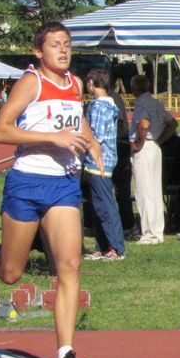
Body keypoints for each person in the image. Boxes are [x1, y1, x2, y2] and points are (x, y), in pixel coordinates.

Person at [0, 21, 103, 358]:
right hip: (26, 183)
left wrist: (91, 142)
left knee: (69, 266)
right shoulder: (31, 82)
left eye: (67, 44)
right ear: (39, 51)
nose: (63, 50)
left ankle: (65, 355)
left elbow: (77, 120)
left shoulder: (75, 84)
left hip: (63, 185)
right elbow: (0, 131)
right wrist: (52, 138)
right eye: (55, 44)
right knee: (12, 273)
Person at [82, 68, 125, 261]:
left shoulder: (98, 107)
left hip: (98, 162)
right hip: (104, 161)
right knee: (98, 206)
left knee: (105, 206)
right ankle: (103, 246)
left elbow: (96, 136)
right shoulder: (109, 104)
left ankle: (116, 247)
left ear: (92, 83)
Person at [129, 74, 177, 244]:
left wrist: (140, 142)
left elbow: (144, 124)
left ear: (134, 89)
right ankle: (157, 230)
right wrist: (159, 140)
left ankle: (149, 233)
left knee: (144, 191)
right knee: (155, 190)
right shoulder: (156, 103)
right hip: (155, 146)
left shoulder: (141, 104)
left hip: (145, 147)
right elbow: (172, 123)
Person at [108, 81, 135, 237]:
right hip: (118, 145)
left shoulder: (113, 98)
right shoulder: (113, 98)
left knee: (122, 190)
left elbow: (120, 122)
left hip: (119, 146)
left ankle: (127, 224)